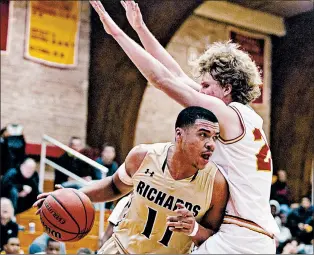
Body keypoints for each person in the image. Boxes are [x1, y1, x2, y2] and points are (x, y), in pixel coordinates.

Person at [89, 1, 279, 253]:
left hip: (238, 237)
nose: (200, 91)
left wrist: (116, 33)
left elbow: (161, 79)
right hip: (258, 237)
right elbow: (176, 76)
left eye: (206, 86)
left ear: (227, 88)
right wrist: (141, 27)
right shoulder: (248, 121)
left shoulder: (227, 114)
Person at [34, 106, 229, 254]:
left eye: (215, 138)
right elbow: (113, 186)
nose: (211, 144)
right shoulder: (143, 156)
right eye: (203, 135)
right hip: (120, 249)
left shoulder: (216, 183)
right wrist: (72, 196)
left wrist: (194, 228)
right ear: (179, 135)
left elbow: (214, 236)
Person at [94, 143, 119, 209]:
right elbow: (99, 178)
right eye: (107, 152)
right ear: (102, 153)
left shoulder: (114, 165)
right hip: (97, 190)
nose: (109, 154)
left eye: (111, 152)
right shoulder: (97, 162)